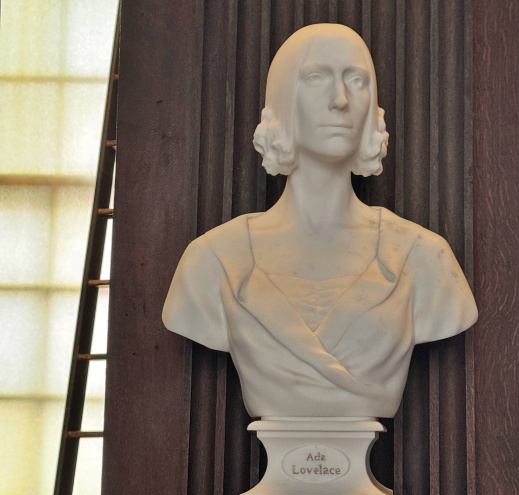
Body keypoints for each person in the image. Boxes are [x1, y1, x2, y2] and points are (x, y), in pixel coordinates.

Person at [163, 23, 477, 420]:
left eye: (357, 81)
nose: (340, 100)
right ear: (282, 102)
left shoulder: (423, 258)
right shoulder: (214, 260)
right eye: (316, 78)